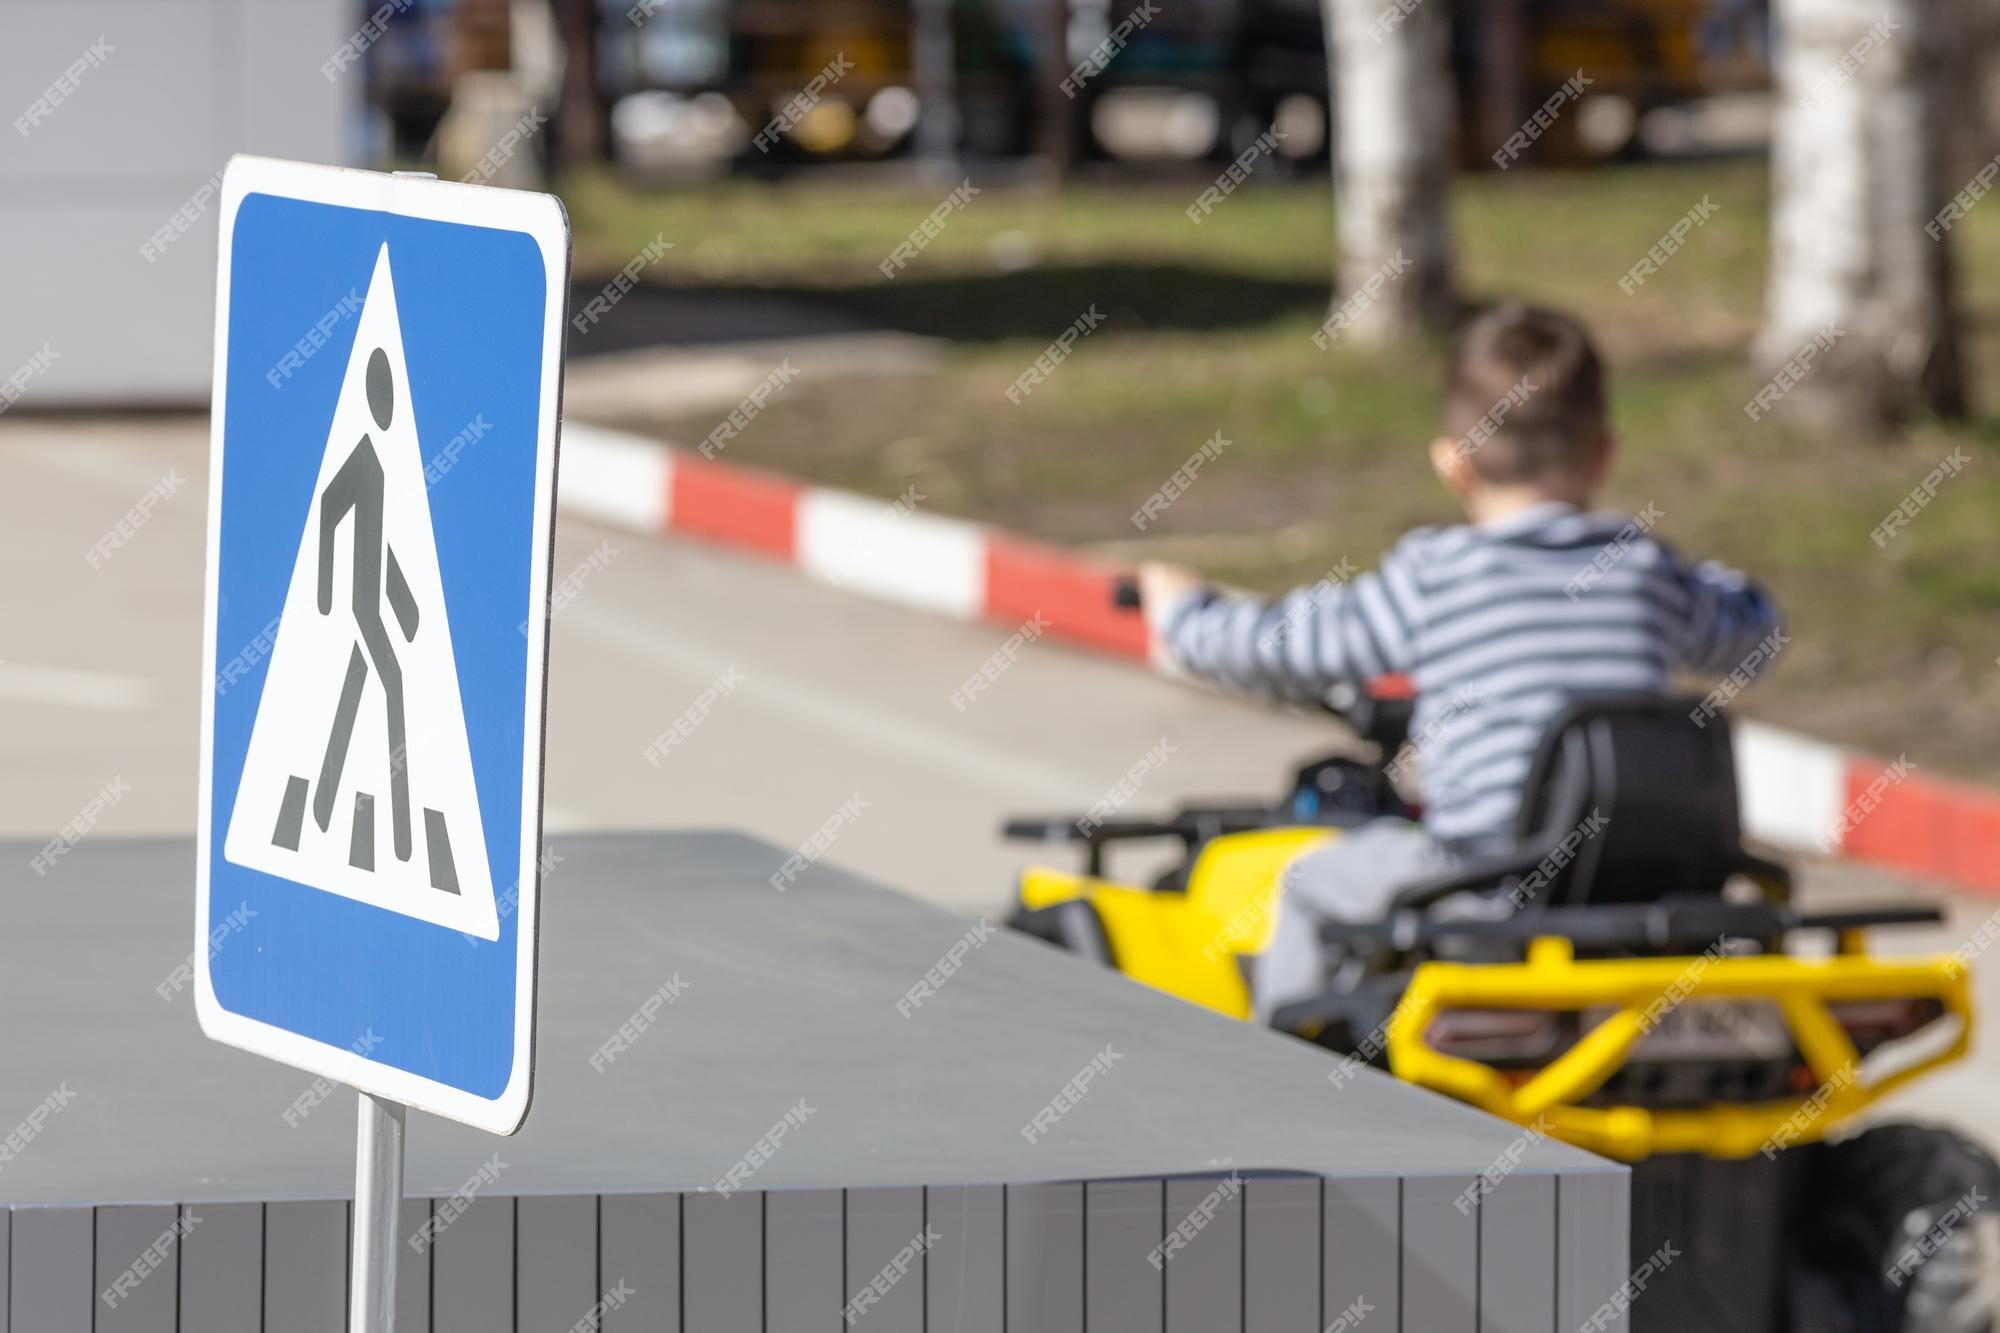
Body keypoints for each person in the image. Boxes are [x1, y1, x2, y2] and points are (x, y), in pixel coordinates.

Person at [1136, 302, 1781, 1021]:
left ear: (1454, 464)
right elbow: (1753, 637)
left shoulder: (1437, 572)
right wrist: (1715, 581)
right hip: (1643, 879)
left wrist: (1186, 617)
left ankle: (1287, 1080)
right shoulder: (1648, 570)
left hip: (1484, 880)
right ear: (1604, 453)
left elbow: (1292, 646)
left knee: (1312, 885)